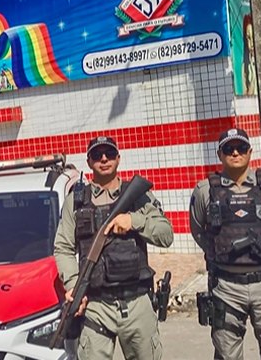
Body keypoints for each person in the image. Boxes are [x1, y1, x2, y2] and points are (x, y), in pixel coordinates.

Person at [53, 136, 173, 359]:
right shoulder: (76, 201)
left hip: (137, 300)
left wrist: (134, 221)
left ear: (118, 158)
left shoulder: (138, 196)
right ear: (89, 162)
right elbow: (63, 248)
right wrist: (72, 285)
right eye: (97, 155)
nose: (104, 158)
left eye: (109, 153)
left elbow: (166, 235)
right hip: (96, 304)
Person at [190, 128, 261, 360]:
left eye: (240, 148)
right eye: (228, 148)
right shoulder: (205, 190)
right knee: (227, 354)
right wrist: (217, 251)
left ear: (250, 152)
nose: (235, 153)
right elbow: (198, 230)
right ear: (219, 154)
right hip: (226, 287)